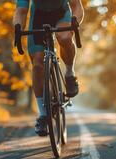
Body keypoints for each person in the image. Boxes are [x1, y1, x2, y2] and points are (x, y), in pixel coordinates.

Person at [13, 0, 84, 136]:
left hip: (61, 13)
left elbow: (76, 6)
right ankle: (43, 115)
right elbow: (20, 11)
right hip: (38, 17)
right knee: (38, 64)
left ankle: (69, 73)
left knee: (63, 37)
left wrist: (75, 21)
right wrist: (18, 27)